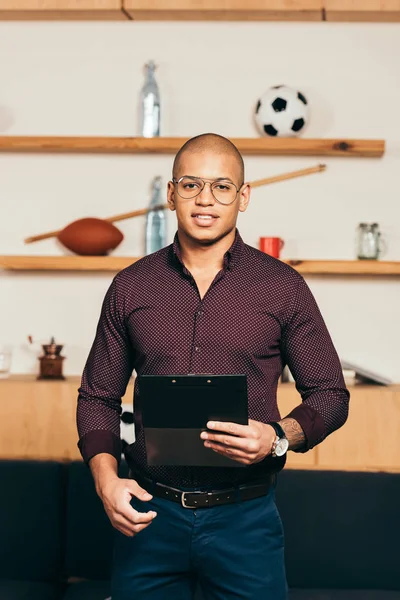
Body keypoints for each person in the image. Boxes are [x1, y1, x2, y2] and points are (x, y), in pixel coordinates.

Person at [76, 133, 350, 600]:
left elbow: (330, 395)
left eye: (222, 187)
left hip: (245, 521)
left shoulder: (282, 287)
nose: (205, 200)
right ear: (171, 193)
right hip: (149, 515)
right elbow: (97, 397)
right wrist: (106, 480)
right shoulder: (130, 287)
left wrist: (279, 436)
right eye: (191, 185)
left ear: (243, 197)